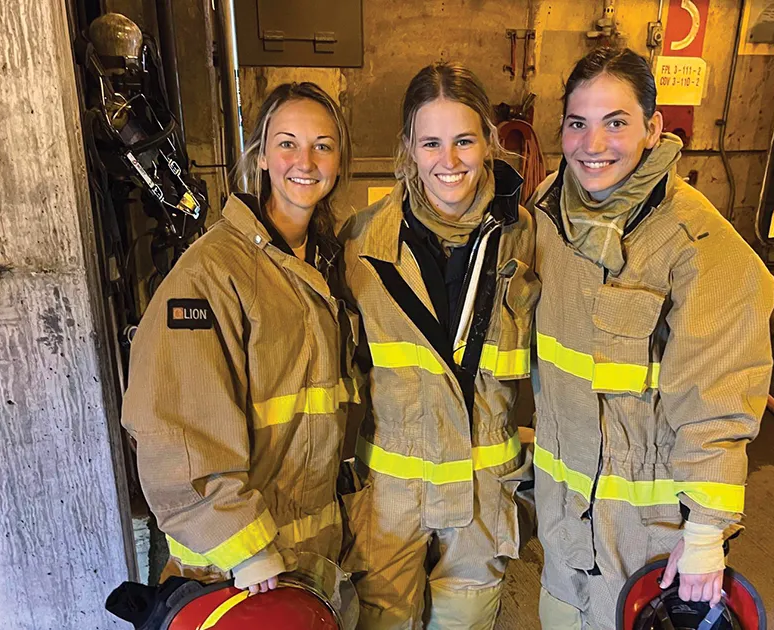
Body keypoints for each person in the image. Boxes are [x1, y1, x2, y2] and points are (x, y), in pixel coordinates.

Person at [528, 47, 774, 629]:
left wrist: (707, 532)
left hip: (646, 543)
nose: (593, 146)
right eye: (578, 123)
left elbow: (715, 401)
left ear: (653, 129)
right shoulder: (546, 212)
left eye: (616, 123)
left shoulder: (699, 247)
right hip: (564, 531)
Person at [121, 82, 357, 594]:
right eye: (288, 142)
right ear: (264, 156)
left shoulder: (323, 261)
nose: (306, 160)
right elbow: (173, 427)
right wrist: (244, 547)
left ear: (339, 162)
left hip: (309, 552)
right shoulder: (212, 272)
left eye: (323, 145)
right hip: (234, 569)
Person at [338, 62, 538, 629]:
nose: (448, 162)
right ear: (408, 147)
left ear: (488, 143)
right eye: (431, 142)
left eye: (464, 141)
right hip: (392, 504)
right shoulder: (361, 245)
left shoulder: (527, 239)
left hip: (480, 502)